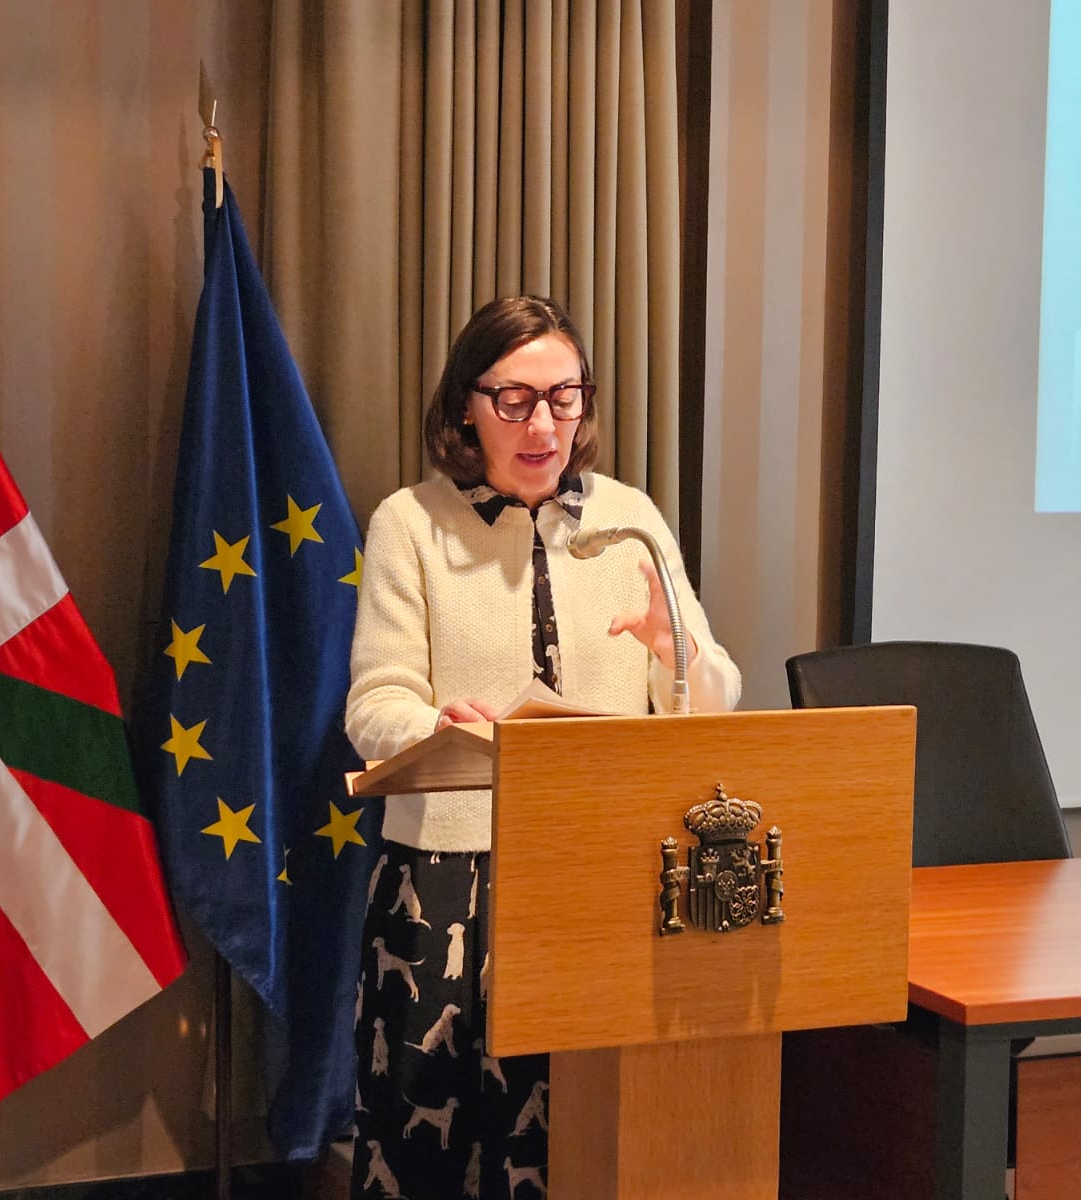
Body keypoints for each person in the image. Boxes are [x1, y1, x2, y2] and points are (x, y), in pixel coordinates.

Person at [344, 295, 741, 1198]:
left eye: (564, 398)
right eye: (514, 400)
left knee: (577, 1134)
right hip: (447, 874)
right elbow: (374, 702)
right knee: (431, 1134)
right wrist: (433, 729)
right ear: (466, 407)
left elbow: (714, 697)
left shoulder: (631, 519)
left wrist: (668, 645)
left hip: (601, 868)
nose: (542, 425)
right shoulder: (411, 522)